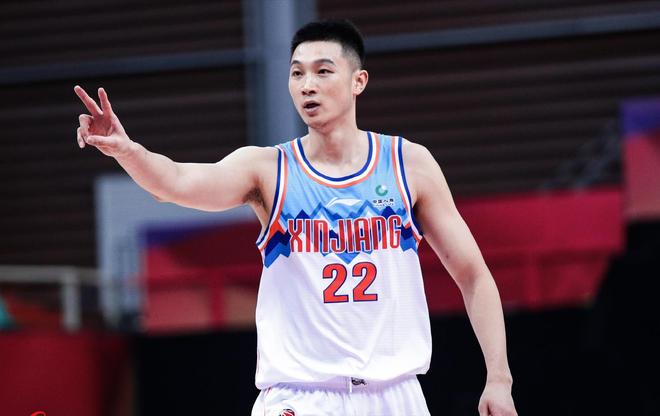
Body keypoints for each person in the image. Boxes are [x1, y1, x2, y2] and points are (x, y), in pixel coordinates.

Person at [75, 19, 516, 416]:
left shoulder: (408, 164)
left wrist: (499, 378)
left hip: (395, 394)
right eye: (297, 73)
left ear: (358, 81)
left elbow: (473, 275)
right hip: (301, 398)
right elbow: (175, 182)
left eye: (323, 72)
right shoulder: (267, 169)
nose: (307, 85)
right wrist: (128, 151)